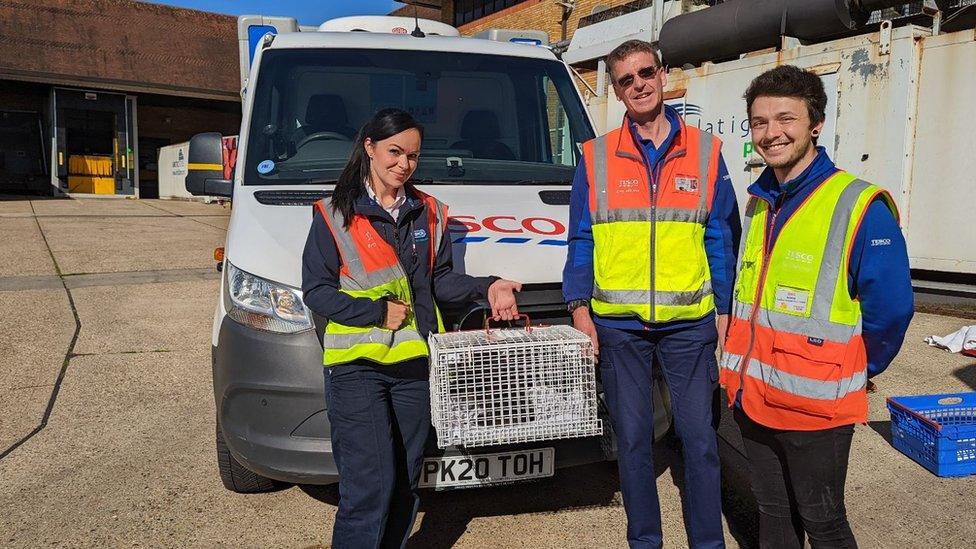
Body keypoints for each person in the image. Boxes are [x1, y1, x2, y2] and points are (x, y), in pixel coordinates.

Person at [301, 108, 522, 549]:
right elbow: (316, 291)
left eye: (413, 157)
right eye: (394, 153)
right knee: (369, 487)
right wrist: (375, 313)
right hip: (357, 367)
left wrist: (488, 286)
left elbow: (439, 281)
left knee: (406, 483)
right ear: (369, 147)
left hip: (414, 367)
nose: (403, 164)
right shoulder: (333, 214)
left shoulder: (430, 213)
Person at [721, 65, 914, 548]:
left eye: (785, 118)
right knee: (773, 516)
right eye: (759, 122)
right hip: (754, 399)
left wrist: (854, 365)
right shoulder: (759, 202)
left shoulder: (858, 205)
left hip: (816, 409)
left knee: (824, 523)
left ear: (815, 124)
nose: (771, 133)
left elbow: (891, 310)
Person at [562, 39, 740, 549]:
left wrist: (723, 309)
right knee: (635, 443)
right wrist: (579, 308)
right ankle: (646, 542)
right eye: (625, 80)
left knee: (702, 441)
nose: (638, 85)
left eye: (645, 74)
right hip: (619, 327)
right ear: (616, 92)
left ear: (662, 75)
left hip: (690, 325)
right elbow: (581, 238)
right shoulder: (594, 158)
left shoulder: (707, 153)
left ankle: (708, 543)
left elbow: (722, 237)